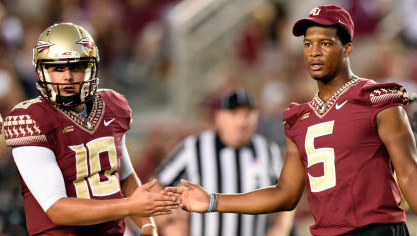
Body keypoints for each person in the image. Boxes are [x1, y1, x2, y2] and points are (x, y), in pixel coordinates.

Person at [163, 5, 417, 236]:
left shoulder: (377, 99)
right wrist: (213, 201)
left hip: (377, 231)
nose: (314, 52)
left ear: (347, 48)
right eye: (308, 44)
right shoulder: (298, 118)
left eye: (325, 44)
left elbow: (408, 174)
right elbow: (284, 194)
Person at [3, 23, 178, 236]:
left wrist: (148, 226)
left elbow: (125, 177)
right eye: (58, 68)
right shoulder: (30, 119)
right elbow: (57, 209)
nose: (67, 76)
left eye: (76, 66)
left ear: (91, 68)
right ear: (42, 71)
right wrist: (129, 206)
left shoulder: (112, 106)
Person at [155, 88, 294, 236]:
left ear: (256, 118)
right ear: (219, 117)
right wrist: (169, 224)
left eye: (247, 115)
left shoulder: (267, 150)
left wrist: (281, 227)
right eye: (234, 114)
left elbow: (286, 192)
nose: (242, 121)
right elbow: (158, 184)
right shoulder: (195, 147)